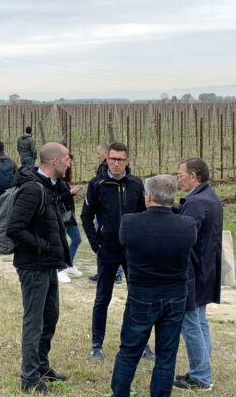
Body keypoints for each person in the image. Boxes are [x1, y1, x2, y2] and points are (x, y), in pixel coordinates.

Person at [110, 175, 197, 397]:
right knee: (166, 356)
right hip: (175, 296)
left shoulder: (130, 223)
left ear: (148, 197)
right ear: (173, 198)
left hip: (142, 295)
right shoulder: (187, 225)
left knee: (129, 352)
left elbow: (123, 243)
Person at [6, 142, 72, 394]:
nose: (69, 162)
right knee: (34, 322)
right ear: (54, 161)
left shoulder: (49, 186)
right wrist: (43, 246)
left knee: (50, 317)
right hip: (33, 265)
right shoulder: (33, 189)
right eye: (67, 158)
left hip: (47, 264)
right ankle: (30, 378)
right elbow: (15, 228)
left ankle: (42, 367)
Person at [80, 142, 152, 363]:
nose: (117, 163)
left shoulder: (136, 184)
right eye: (113, 159)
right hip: (108, 251)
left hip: (133, 253)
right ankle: (96, 345)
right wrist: (96, 246)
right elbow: (85, 217)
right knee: (103, 298)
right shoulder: (97, 184)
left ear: (127, 161)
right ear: (106, 160)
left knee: (137, 299)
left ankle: (140, 344)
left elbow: (144, 215)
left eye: (121, 160)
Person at [173, 158, 223, 391]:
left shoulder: (195, 203)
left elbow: (184, 235)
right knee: (200, 322)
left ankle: (201, 376)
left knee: (190, 323)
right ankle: (201, 371)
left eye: (181, 174)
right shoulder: (209, 197)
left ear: (193, 176)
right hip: (207, 269)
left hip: (193, 270)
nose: (179, 178)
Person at [56, 141, 83, 284]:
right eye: (67, 161)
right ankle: (58, 270)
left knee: (77, 239)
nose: (69, 164)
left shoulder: (64, 177)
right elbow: (55, 198)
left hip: (69, 214)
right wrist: (70, 193)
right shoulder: (55, 178)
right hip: (61, 214)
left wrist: (72, 193)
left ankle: (68, 264)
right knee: (61, 242)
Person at [90, 142, 112, 284]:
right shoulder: (106, 167)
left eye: (99, 153)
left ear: (105, 153)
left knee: (103, 242)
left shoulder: (105, 168)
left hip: (103, 211)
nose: (98, 156)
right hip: (104, 210)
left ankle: (105, 273)